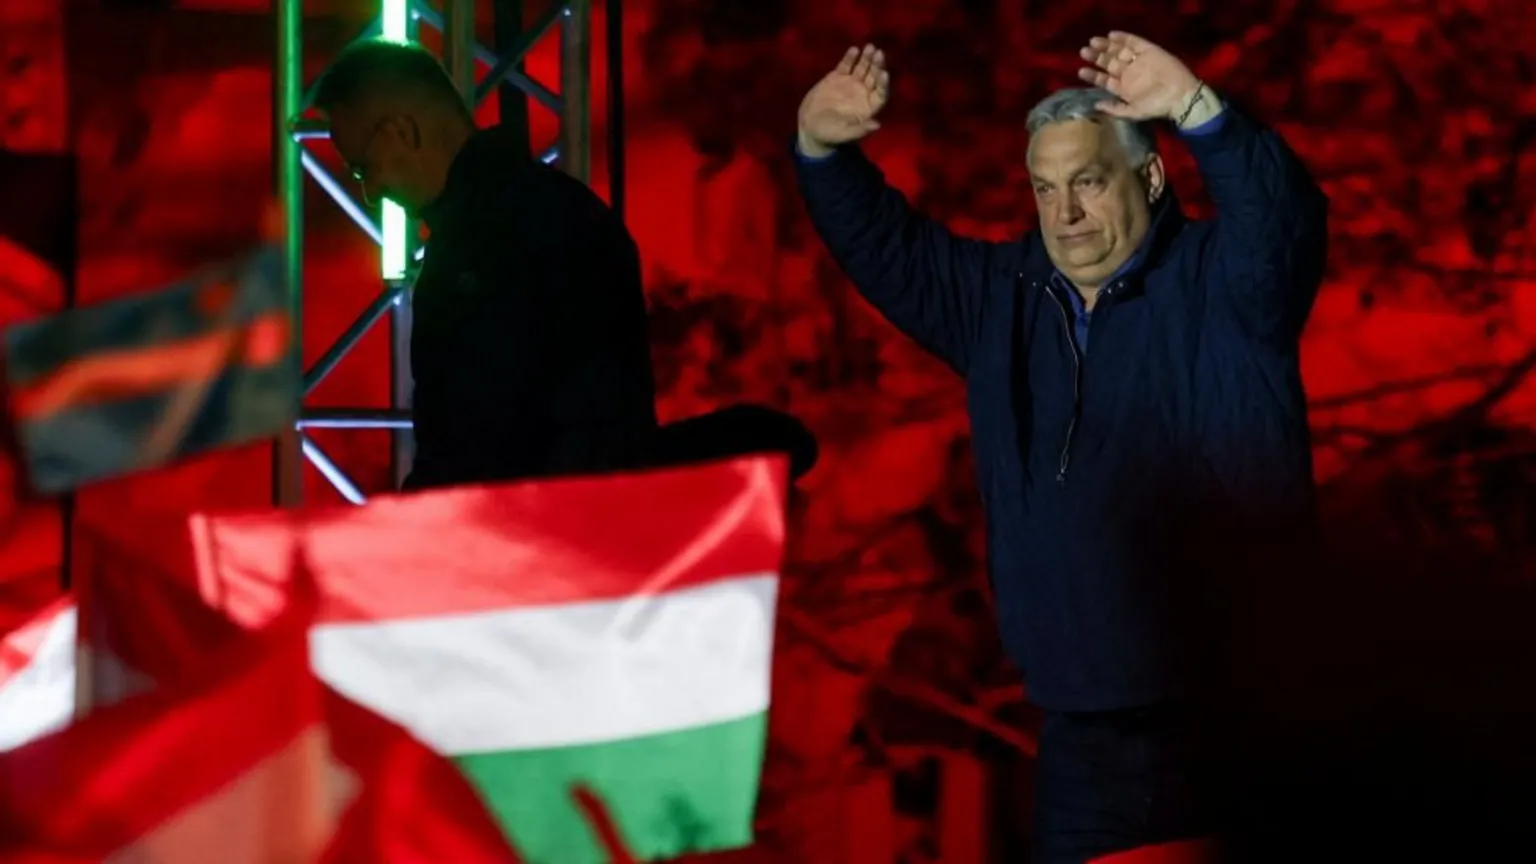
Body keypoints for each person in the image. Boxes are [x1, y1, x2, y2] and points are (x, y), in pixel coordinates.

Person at [793, 35, 1327, 862]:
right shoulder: (1000, 299)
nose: (1064, 214)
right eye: (1045, 189)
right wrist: (823, 150)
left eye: (1087, 182)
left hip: (1232, 722)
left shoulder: (1224, 283)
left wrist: (1197, 110)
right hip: (1080, 738)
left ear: (1148, 178)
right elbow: (890, 251)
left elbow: (1280, 220)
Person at [314, 39, 658, 489]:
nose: (371, 193)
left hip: (525, 539)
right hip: (604, 528)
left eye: (363, 168)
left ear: (402, 132)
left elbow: (469, 446)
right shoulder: (576, 209)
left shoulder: (471, 249)